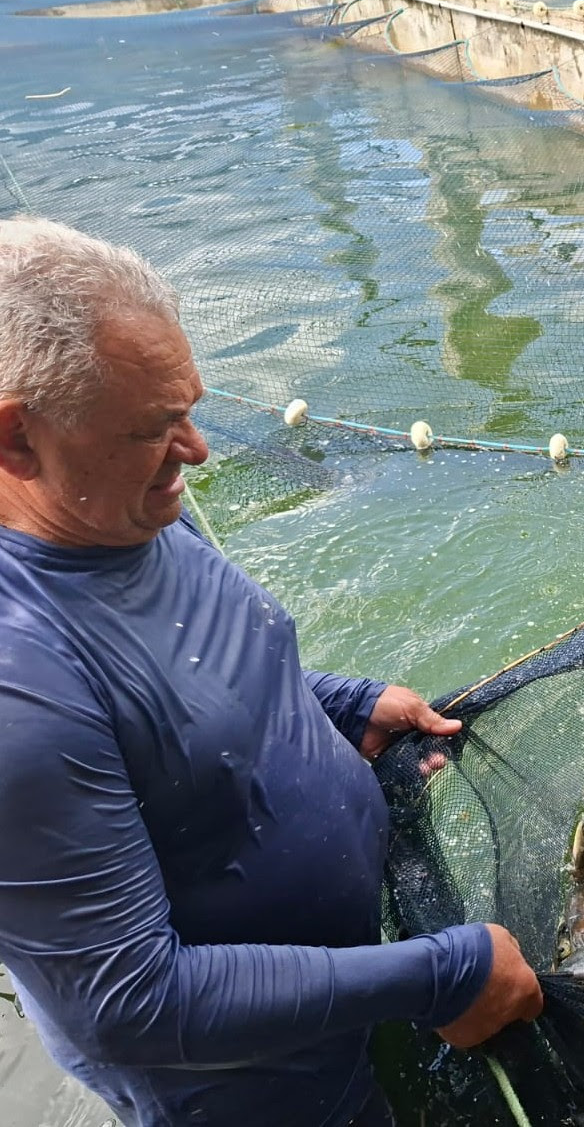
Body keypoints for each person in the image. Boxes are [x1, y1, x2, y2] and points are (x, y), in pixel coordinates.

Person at [0, 217, 543, 1127]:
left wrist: (342, 704)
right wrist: (440, 972)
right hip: (250, 1086)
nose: (197, 452)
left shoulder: (113, 503)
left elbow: (196, 658)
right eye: (153, 429)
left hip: (345, 986)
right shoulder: (20, 688)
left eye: (188, 410)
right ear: (16, 441)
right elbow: (128, 1004)